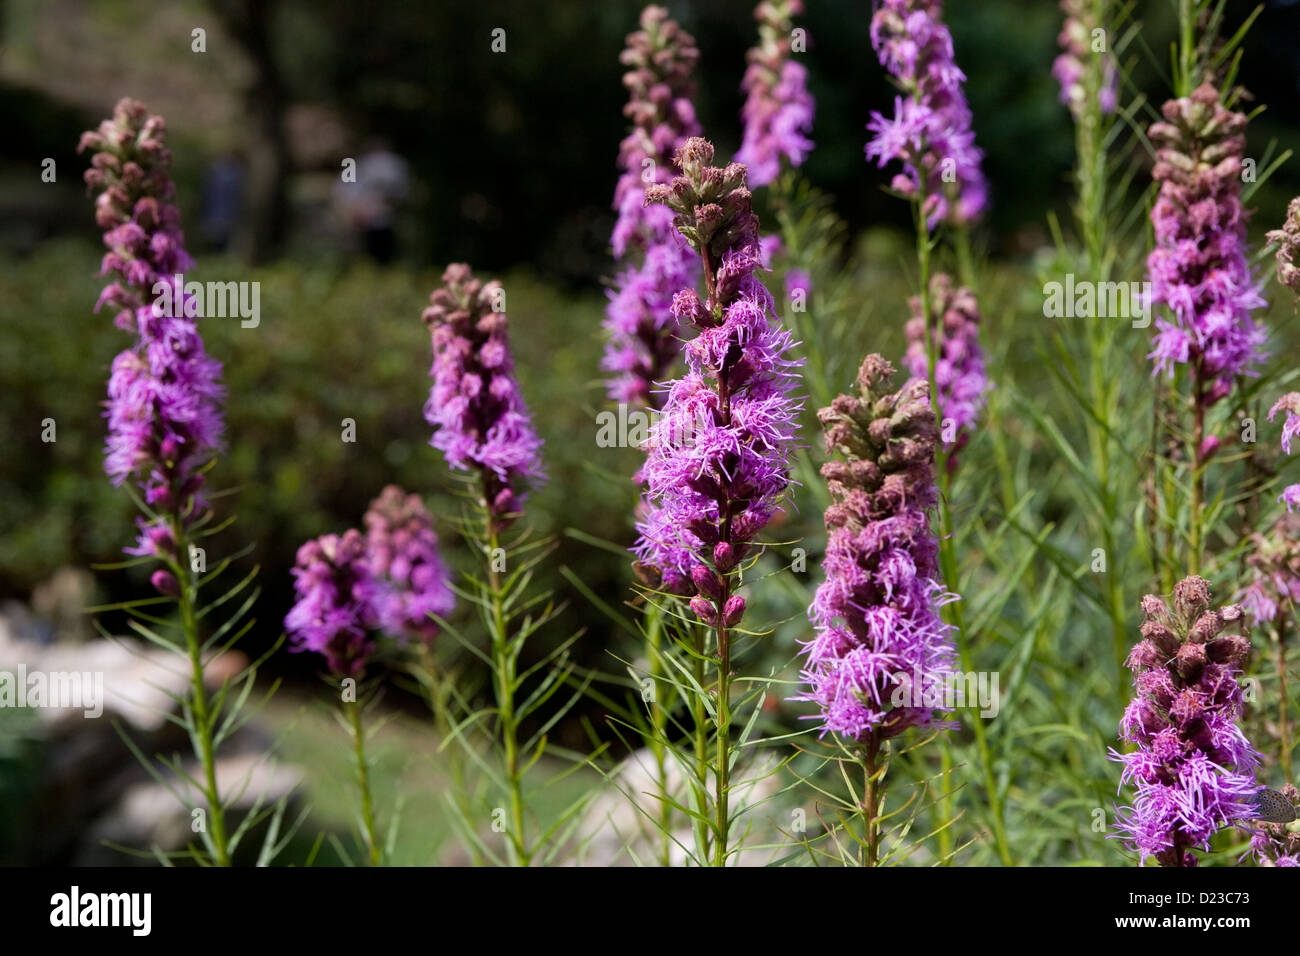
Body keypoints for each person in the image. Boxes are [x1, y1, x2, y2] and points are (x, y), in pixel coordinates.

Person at [334, 138, 410, 264]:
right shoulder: (359, 165)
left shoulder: (392, 164)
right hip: (363, 224)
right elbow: (344, 191)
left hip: (383, 223)